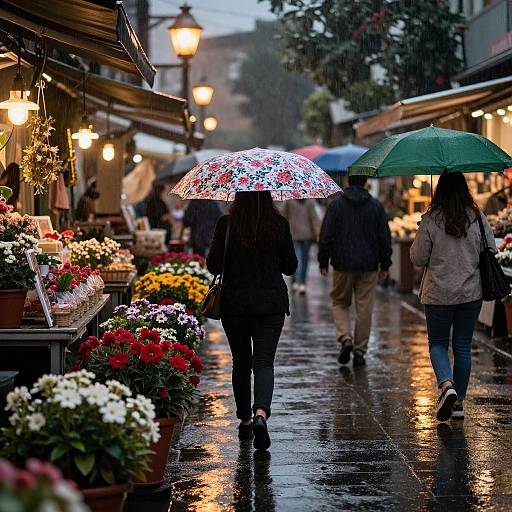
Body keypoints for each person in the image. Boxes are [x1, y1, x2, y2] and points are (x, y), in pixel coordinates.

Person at [207, 191, 297, 450]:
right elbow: (290, 266)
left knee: (241, 362)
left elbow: (213, 266)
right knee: (264, 363)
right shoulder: (278, 224)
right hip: (270, 305)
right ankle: (261, 414)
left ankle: (245, 420)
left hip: (235, 305)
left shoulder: (226, 224)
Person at [410, 171, 496, 422]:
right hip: (470, 293)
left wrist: (423, 229)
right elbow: (490, 249)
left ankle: (447, 386)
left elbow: (417, 258)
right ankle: (458, 404)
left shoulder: (431, 220)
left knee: (437, 342)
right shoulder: (477, 217)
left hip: (438, 293)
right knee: (462, 346)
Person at [318, 175, 392, 367]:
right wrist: (385, 264)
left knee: (339, 301)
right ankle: (359, 352)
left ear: (348, 182)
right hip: (368, 265)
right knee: (364, 307)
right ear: (366, 182)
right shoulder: (376, 207)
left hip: (342, 264)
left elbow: (326, 235)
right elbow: (384, 238)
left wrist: (323, 260)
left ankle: (345, 337)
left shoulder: (336, 205)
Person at [283, 199, 321, 294]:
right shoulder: (310, 201)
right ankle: (302, 283)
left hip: (293, 235)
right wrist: (318, 233)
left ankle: (296, 282)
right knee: (304, 260)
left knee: (297, 259)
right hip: (306, 235)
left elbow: (284, 216)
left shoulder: (289, 201)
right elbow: (314, 218)